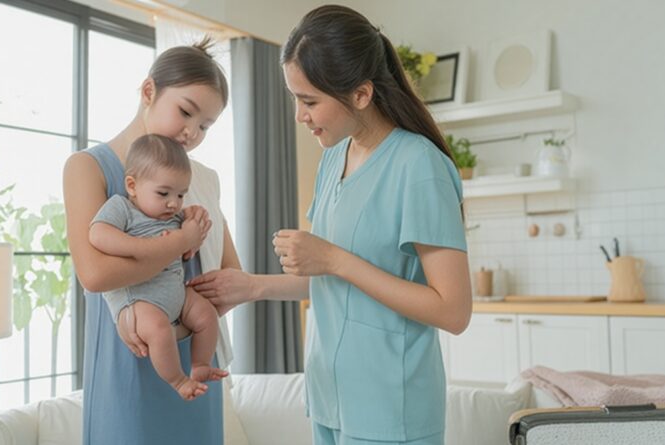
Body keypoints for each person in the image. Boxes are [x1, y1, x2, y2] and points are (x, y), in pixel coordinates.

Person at [189, 5, 472, 445]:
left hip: (390, 410)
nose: (299, 116)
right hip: (328, 397)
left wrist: (336, 260)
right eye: (295, 99)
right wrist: (253, 287)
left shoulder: (419, 166)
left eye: (310, 101)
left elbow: (453, 311)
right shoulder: (333, 158)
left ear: (361, 94)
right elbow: (337, 285)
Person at [64, 39, 237, 444]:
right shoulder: (88, 167)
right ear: (148, 92)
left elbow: (231, 274)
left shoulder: (200, 180)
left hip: (194, 359)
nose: (192, 132)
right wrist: (180, 242)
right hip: (128, 357)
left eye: (206, 126)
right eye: (185, 112)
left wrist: (189, 316)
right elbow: (95, 274)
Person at [88, 133, 227, 401]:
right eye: (163, 193)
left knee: (207, 316)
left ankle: (199, 365)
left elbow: (189, 248)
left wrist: (191, 230)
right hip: (141, 300)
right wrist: (140, 248)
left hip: (177, 292)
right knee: (159, 331)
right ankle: (178, 380)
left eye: (180, 194)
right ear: (132, 185)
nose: (173, 202)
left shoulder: (175, 215)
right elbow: (98, 234)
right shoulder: (122, 208)